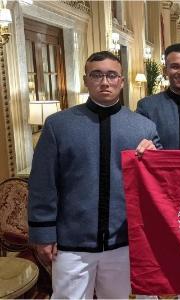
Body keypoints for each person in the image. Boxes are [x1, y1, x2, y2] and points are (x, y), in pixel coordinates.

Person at [28, 51, 161, 299]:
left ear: (121, 80)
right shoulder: (59, 125)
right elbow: (43, 183)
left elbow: (160, 183)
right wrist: (43, 232)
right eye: (96, 75)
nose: (105, 81)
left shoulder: (143, 127)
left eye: (112, 75)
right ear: (86, 80)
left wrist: (155, 157)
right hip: (71, 242)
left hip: (122, 241)